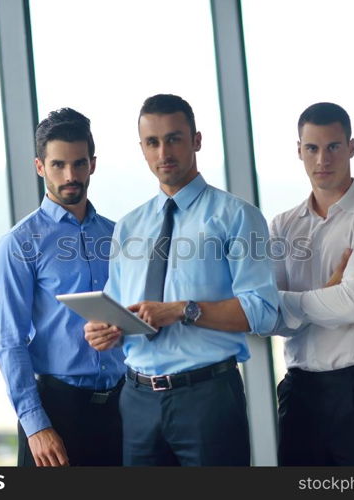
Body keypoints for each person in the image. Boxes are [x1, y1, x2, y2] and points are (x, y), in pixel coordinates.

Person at [84, 94, 279, 466]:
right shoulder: (129, 226)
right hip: (138, 400)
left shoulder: (236, 216)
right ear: (141, 149)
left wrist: (180, 310)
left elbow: (264, 311)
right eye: (152, 143)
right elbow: (117, 308)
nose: (163, 152)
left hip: (207, 399)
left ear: (197, 140)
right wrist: (102, 330)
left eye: (174, 138)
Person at [269, 102, 354, 466]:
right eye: (312, 148)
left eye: (333, 146)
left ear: (351, 147)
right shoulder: (282, 226)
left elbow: (353, 303)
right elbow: (266, 317)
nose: (322, 159)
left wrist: (289, 302)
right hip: (299, 392)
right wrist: (327, 293)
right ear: (298, 151)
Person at [0, 108, 126, 466]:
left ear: (92, 164)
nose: (71, 176)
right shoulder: (20, 243)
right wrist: (36, 426)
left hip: (122, 410)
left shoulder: (119, 237)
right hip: (57, 411)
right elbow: (10, 342)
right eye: (58, 165)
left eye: (79, 164)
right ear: (40, 167)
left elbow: (136, 314)